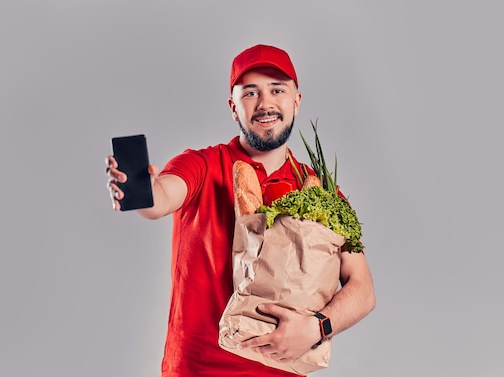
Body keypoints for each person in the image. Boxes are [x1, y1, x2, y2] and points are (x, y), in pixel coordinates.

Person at [106, 44, 375, 377]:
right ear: (234, 107)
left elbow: (362, 288)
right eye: (251, 93)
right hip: (196, 370)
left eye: (277, 90)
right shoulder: (203, 165)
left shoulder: (323, 192)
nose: (265, 104)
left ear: (296, 100)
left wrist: (317, 327)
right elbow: (160, 198)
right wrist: (136, 189)